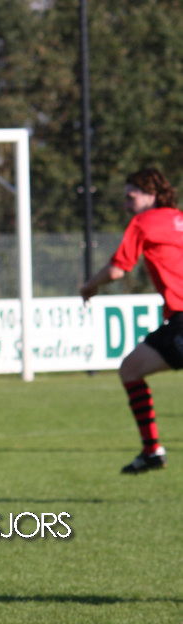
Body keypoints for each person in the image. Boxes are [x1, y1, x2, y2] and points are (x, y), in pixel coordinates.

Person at [80, 167, 183, 474]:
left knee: (130, 370)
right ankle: (151, 452)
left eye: (131, 197)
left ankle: (152, 451)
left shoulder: (143, 222)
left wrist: (89, 286)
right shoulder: (179, 219)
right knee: (131, 368)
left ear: (152, 194)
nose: (126, 205)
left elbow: (117, 269)